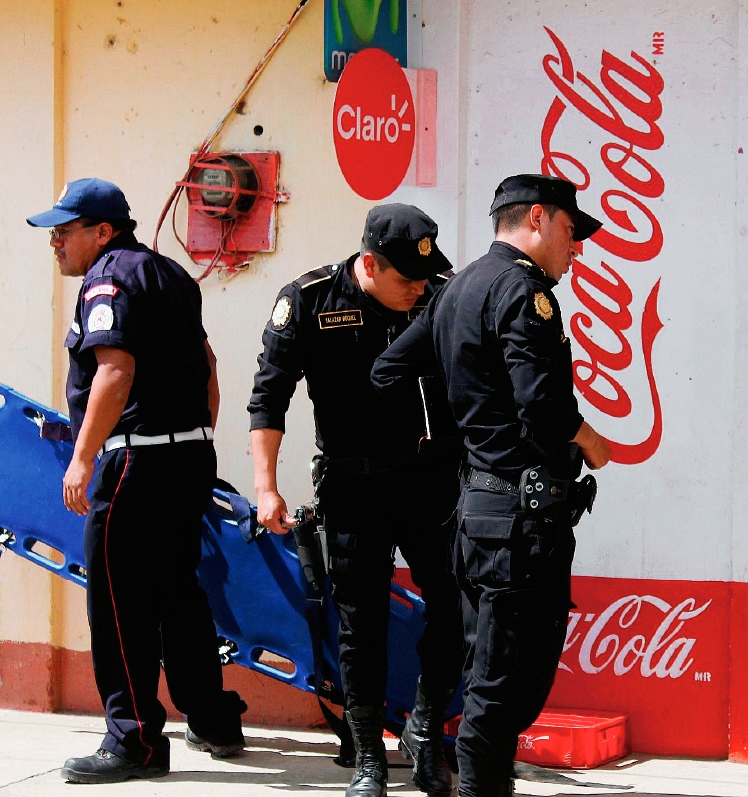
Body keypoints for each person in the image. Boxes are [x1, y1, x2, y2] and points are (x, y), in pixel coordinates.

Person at [372, 174, 613, 797]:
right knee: (504, 686)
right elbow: (546, 410)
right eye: (570, 230)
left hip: (482, 513)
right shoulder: (522, 290)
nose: (575, 248)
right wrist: (592, 442)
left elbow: (389, 369)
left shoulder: (460, 287)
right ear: (537, 218)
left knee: (498, 678)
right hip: (517, 523)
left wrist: (458, 434)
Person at [27, 178, 246, 784]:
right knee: (179, 594)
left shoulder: (108, 278)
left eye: (64, 230)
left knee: (119, 603)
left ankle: (134, 741)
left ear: (102, 231)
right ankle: (213, 719)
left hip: (135, 465)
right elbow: (208, 367)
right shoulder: (169, 274)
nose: (55, 242)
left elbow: (114, 372)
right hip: (186, 460)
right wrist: (196, 438)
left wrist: (83, 459)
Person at [247, 204, 463, 797]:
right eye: (406, 277)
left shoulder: (442, 295)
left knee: (457, 608)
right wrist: (266, 486)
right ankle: (370, 756)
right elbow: (269, 397)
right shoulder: (311, 300)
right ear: (369, 263)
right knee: (359, 623)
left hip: (432, 482)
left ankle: (423, 727)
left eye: (425, 276)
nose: (418, 288)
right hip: (353, 486)